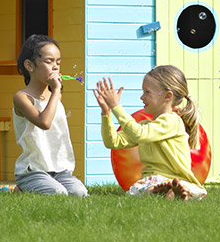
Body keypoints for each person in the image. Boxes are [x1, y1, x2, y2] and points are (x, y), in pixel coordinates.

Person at [94, 65, 207, 200]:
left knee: (160, 188)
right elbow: (112, 142)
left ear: (167, 96)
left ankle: (170, 191)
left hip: (179, 179)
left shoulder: (172, 121)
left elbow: (139, 134)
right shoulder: (146, 126)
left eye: (147, 92)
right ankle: (164, 192)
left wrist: (116, 107)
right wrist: (106, 113)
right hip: (153, 180)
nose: (142, 97)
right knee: (147, 187)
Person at [11, 34, 88, 196]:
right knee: (58, 193)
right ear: (29, 66)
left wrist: (56, 92)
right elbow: (44, 122)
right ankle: (23, 187)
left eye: (58, 62)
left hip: (59, 169)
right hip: (33, 170)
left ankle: (38, 186)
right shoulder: (22, 98)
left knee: (79, 193)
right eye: (48, 61)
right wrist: (57, 89)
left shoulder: (55, 96)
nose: (55, 67)